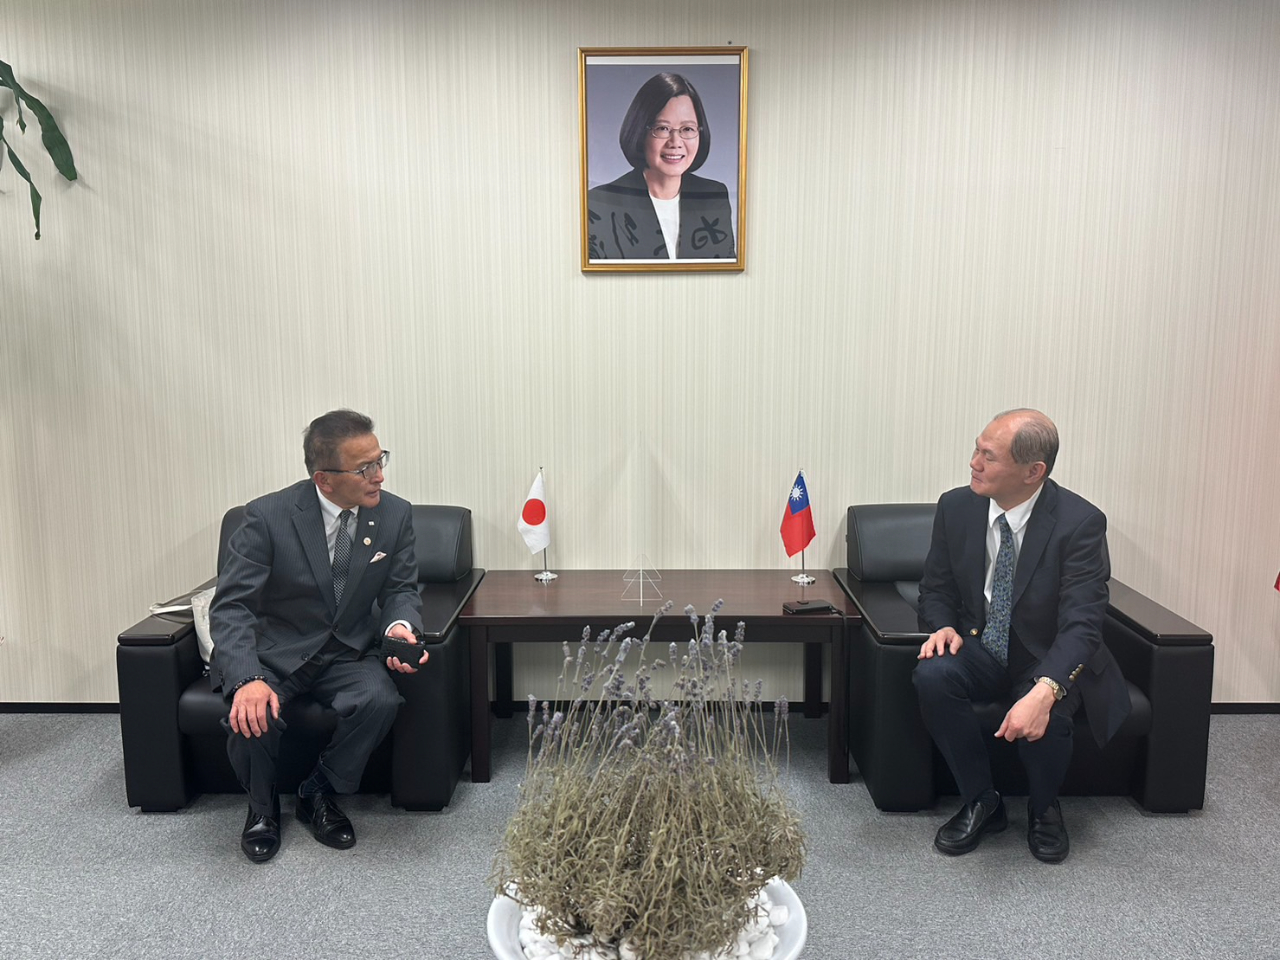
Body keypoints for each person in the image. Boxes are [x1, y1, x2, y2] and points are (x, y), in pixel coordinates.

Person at [913, 409, 1130, 863]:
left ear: (1033, 472)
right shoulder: (956, 506)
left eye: (989, 456)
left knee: (1048, 710)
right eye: (976, 449)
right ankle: (981, 801)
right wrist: (942, 626)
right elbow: (936, 588)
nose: (974, 462)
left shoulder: (1080, 522)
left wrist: (1046, 689)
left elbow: (1082, 624)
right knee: (932, 675)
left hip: (1047, 651)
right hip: (980, 643)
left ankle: (1044, 808)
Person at [209, 409, 427, 863]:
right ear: (324, 480)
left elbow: (401, 590)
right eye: (364, 468)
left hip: (346, 653)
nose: (379, 476)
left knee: (379, 700)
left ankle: (318, 791)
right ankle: (262, 808)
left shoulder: (394, 514)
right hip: (274, 653)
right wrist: (247, 677)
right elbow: (232, 607)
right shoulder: (267, 516)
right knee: (250, 711)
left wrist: (399, 627)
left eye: (380, 460)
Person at [586, 72, 736, 260]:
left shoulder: (713, 196)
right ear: (640, 132)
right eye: (662, 128)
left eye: (687, 129)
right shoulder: (600, 203)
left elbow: (724, 270)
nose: (675, 142)